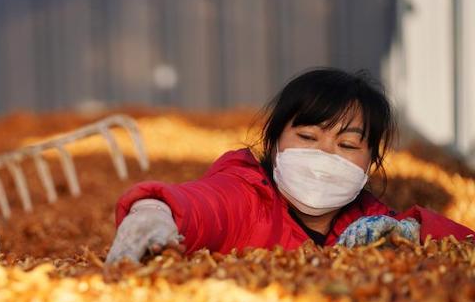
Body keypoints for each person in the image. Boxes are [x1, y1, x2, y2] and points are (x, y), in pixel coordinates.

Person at [106, 68, 474, 263]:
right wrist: (155, 210)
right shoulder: (248, 194)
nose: (326, 155)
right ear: (274, 142)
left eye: (346, 144)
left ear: (369, 164)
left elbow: (465, 246)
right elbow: (205, 204)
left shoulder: (370, 223)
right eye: (308, 138)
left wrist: (411, 232)